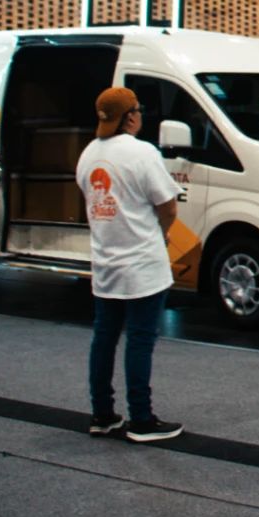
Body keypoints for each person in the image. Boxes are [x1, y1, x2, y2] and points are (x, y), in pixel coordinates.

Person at [76, 87, 183, 442]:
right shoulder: (142, 153)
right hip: (142, 265)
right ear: (129, 117)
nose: (139, 115)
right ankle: (141, 420)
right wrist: (162, 234)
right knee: (139, 340)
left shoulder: (88, 155)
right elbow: (168, 206)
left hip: (105, 263)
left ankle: (102, 415)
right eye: (137, 109)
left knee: (104, 339)